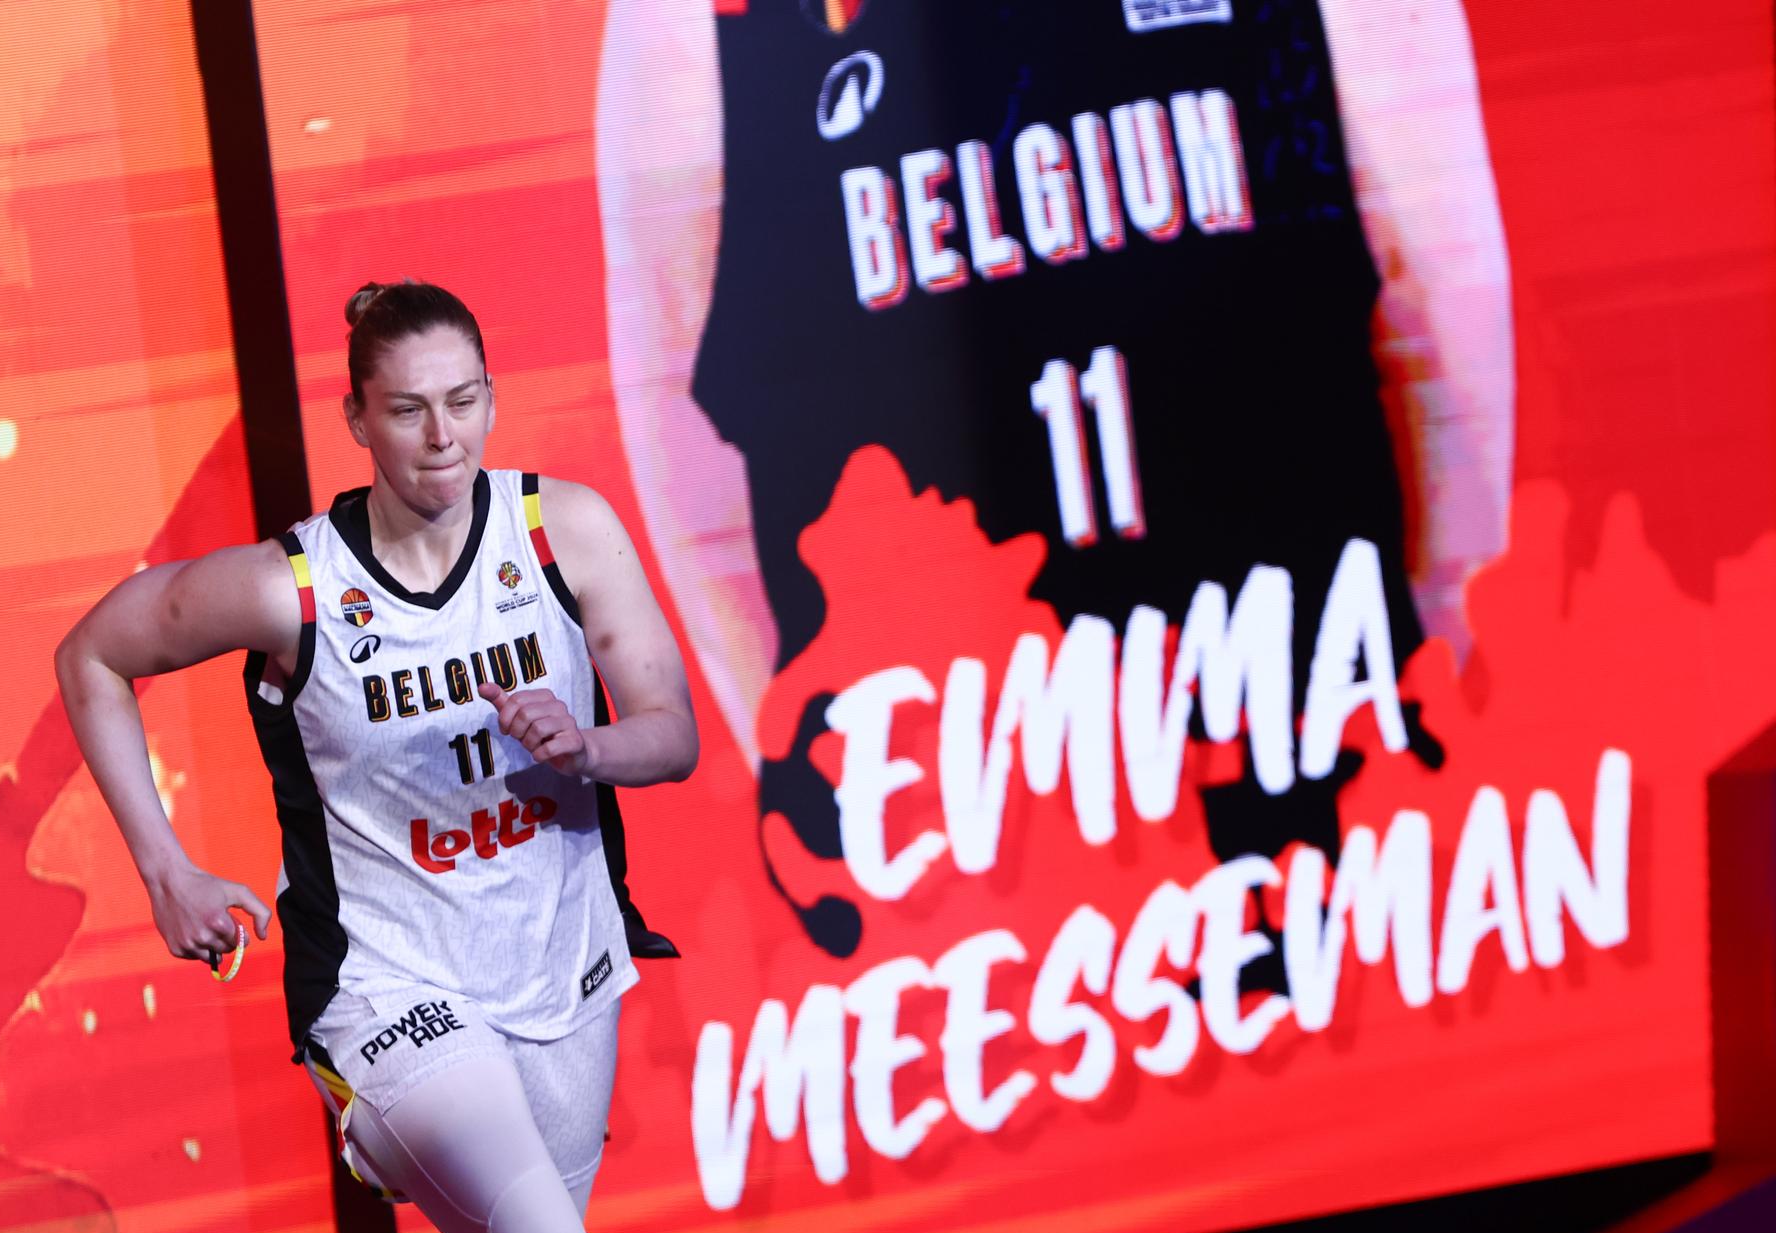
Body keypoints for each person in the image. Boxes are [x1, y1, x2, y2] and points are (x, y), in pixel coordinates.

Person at [597, 0, 1513, 954]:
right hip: (972, 833)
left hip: (1287, 737)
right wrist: (824, 807)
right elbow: (689, 420)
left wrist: (1440, 706)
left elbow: (1439, 303)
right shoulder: (693, 29)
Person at [55, 280, 699, 1233]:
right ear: (356, 418)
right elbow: (92, 655)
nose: (443, 435)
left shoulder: (561, 530)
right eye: (407, 409)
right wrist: (164, 872)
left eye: (463, 400)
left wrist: (585, 748)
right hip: (387, 988)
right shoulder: (295, 588)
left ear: (492, 395)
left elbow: (673, 736)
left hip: (562, 969)